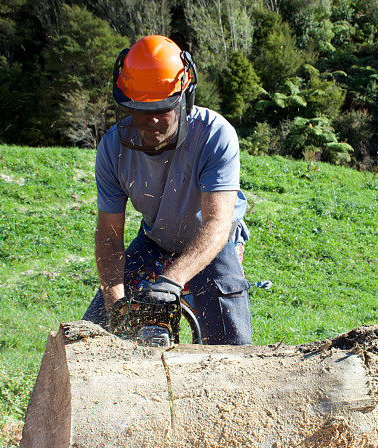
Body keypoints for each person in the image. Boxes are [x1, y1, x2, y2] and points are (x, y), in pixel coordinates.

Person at [82, 35, 252, 345]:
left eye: (163, 108)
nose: (153, 121)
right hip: (155, 239)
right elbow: (108, 234)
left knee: (232, 343)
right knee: (93, 332)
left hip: (211, 242)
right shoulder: (111, 148)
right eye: (141, 111)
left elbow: (217, 223)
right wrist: (116, 304)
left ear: (185, 97)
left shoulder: (215, 135)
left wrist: (172, 281)